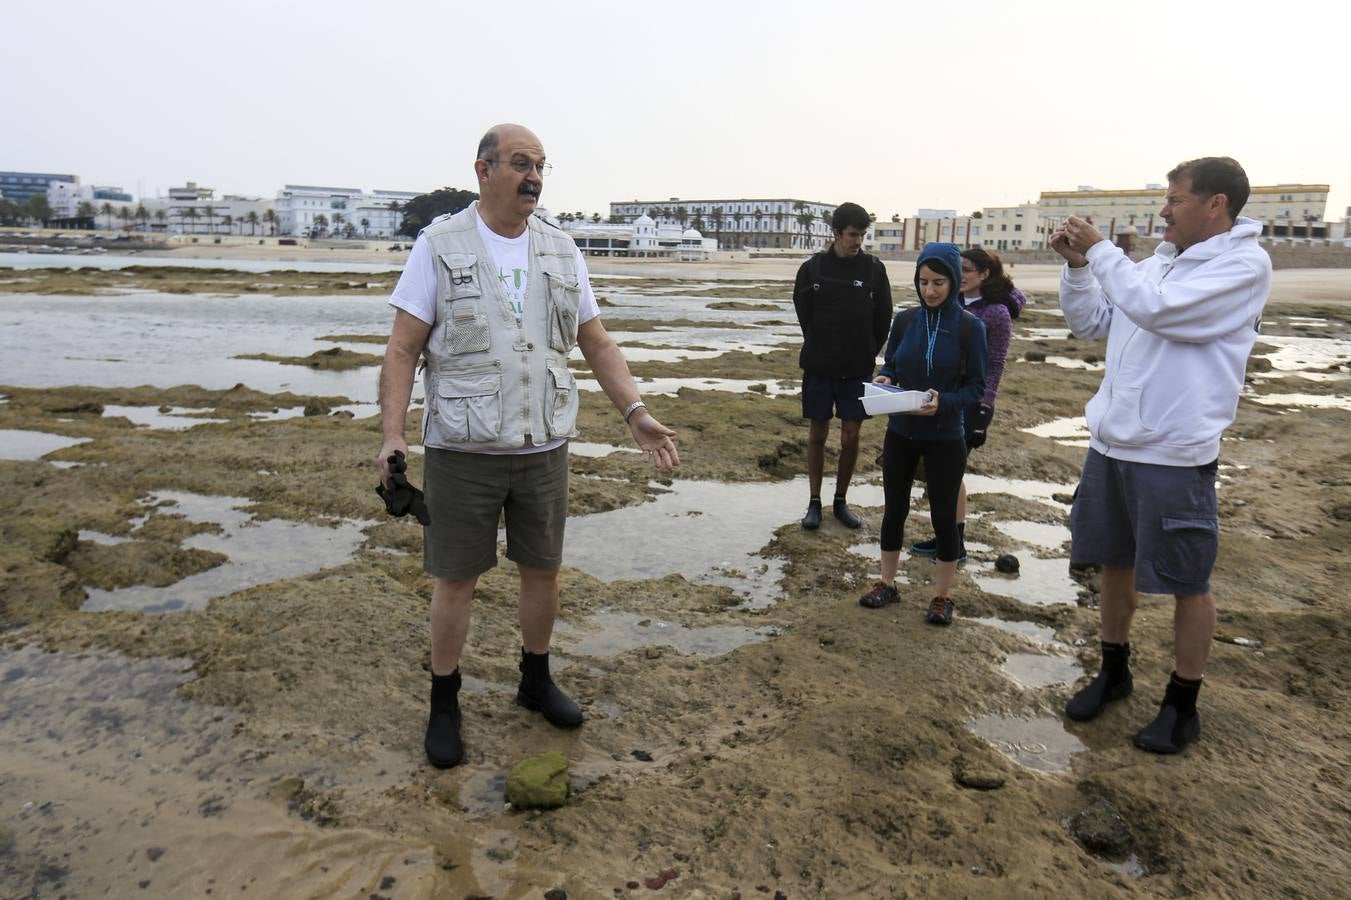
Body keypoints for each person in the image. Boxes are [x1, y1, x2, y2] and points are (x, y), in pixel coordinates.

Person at [377, 123, 680, 769]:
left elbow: (596, 341)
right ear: (484, 170)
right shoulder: (439, 244)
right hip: (463, 449)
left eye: (541, 165)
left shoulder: (561, 249)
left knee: (542, 569)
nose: (534, 177)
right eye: (520, 164)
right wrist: (394, 436)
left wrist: (635, 411)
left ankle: (535, 678)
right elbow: (403, 348)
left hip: (542, 445)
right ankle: (444, 701)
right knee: (455, 581)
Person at [1050, 156, 1271, 754]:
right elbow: (1091, 322)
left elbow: (1160, 312)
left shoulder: (1242, 266)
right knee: (1113, 561)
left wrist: (1101, 252)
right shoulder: (1157, 265)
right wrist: (1077, 268)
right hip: (1112, 442)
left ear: (1216, 204)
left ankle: (1182, 703)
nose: (1163, 210)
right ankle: (1114, 670)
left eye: (1174, 199)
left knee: (1187, 581)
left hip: (1174, 453)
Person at [859, 243, 986, 625]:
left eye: (939, 282)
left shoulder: (970, 327)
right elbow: (892, 363)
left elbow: (976, 389)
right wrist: (886, 378)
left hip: (946, 434)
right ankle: (887, 583)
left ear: (953, 281)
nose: (929, 290)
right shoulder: (905, 320)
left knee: (943, 517)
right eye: (923, 282)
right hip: (901, 430)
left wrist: (943, 401)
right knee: (893, 510)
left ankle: (942, 596)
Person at [910, 247, 1020, 560]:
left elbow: (995, 365)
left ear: (984, 274)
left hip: (970, 402)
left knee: (949, 474)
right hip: (942, 397)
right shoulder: (952, 302)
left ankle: (954, 544)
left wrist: (985, 410)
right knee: (940, 474)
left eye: (968, 269)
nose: (963, 275)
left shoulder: (996, 312)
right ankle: (948, 537)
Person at [792, 202, 892, 530]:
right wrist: (822, 344)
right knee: (818, 432)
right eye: (852, 235)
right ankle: (814, 502)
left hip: (857, 368)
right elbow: (804, 312)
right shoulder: (812, 269)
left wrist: (866, 351)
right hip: (820, 366)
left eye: (862, 235)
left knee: (851, 436)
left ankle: (841, 501)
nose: (857, 241)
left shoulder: (874, 269)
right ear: (836, 233)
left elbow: (883, 319)